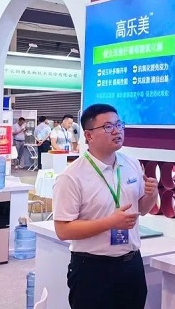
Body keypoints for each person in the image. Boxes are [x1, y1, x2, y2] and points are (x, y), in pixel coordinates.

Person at [53, 103, 159, 309]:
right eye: (108, 127)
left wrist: (151, 194)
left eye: (119, 124)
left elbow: (142, 210)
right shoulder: (71, 176)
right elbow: (63, 230)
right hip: (92, 269)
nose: (117, 131)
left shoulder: (131, 164)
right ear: (89, 135)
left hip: (131, 264)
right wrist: (110, 223)